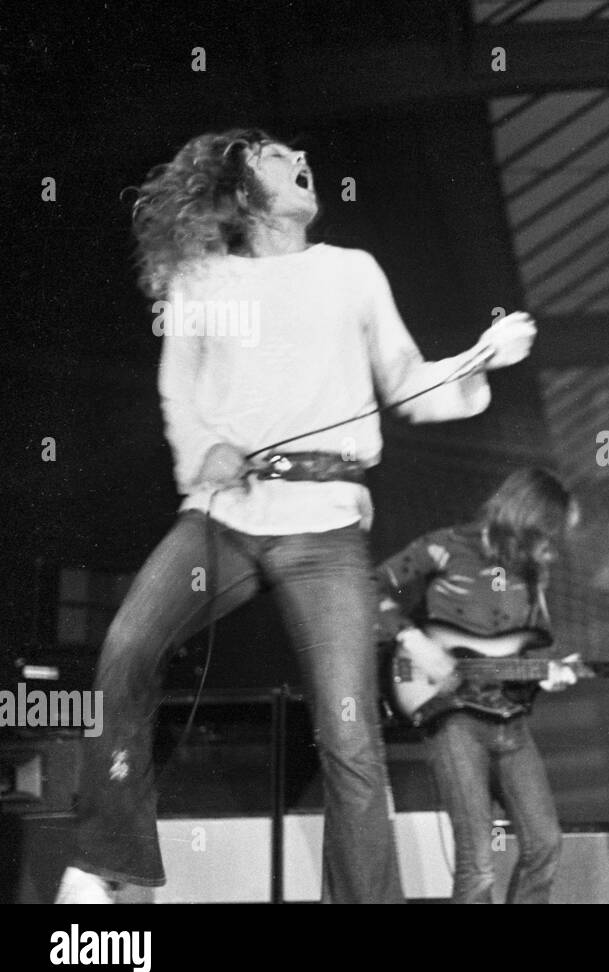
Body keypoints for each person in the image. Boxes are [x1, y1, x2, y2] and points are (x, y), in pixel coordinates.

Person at [55, 128, 537, 904]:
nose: (299, 160)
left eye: (296, 155)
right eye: (276, 158)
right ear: (243, 193)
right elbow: (178, 394)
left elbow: (407, 383)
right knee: (125, 648)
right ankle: (111, 865)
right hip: (224, 519)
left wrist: (483, 356)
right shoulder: (198, 282)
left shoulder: (351, 274)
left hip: (325, 526)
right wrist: (204, 451)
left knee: (349, 733)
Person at [372, 468, 578, 904]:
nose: (552, 551)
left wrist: (549, 674)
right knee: (477, 861)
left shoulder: (532, 574)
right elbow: (370, 586)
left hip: (512, 721)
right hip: (454, 718)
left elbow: (519, 655)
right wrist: (416, 643)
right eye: (548, 537)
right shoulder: (446, 546)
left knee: (545, 843)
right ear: (525, 521)